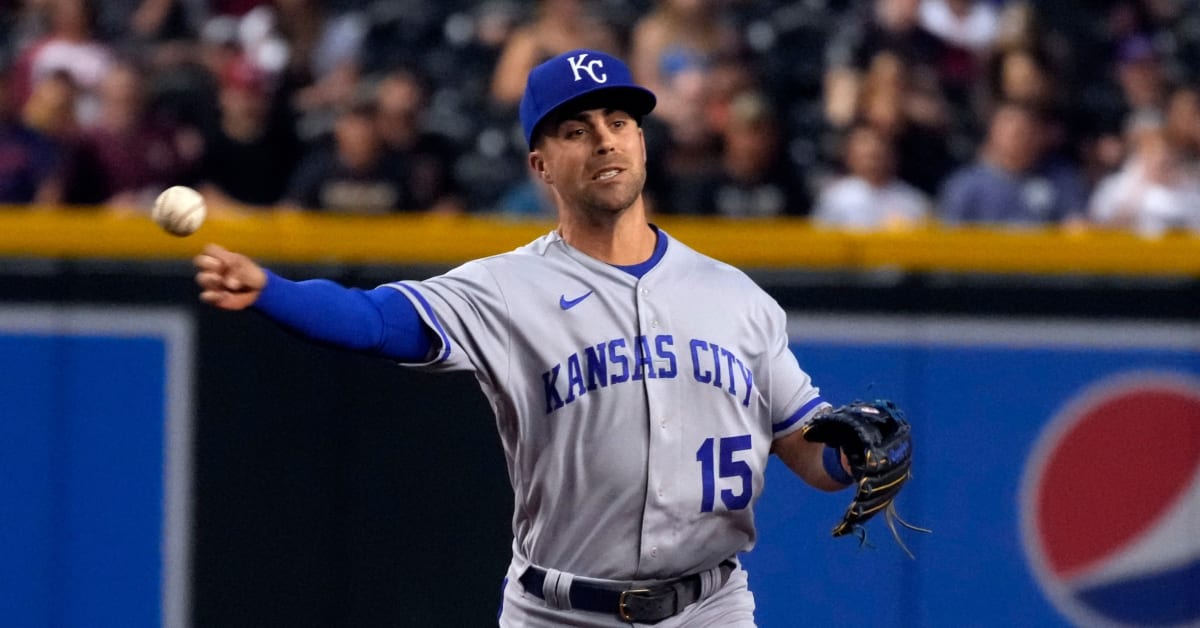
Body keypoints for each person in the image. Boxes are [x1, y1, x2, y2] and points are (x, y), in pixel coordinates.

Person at [194, 50, 871, 627]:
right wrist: (273, 292)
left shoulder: (736, 297)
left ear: (640, 140)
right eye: (576, 130)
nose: (605, 140)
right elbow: (376, 322)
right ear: (541, 166)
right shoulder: (505, 289)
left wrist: (853, 454)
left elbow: (804, 443)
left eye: (619, 122)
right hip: (560, 611)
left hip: (710, 607)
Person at [813, 124, 931, 230]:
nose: (873, 162)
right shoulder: (835, 198)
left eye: (878, 155)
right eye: (867, 156)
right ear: (850, 156)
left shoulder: (913, 200)